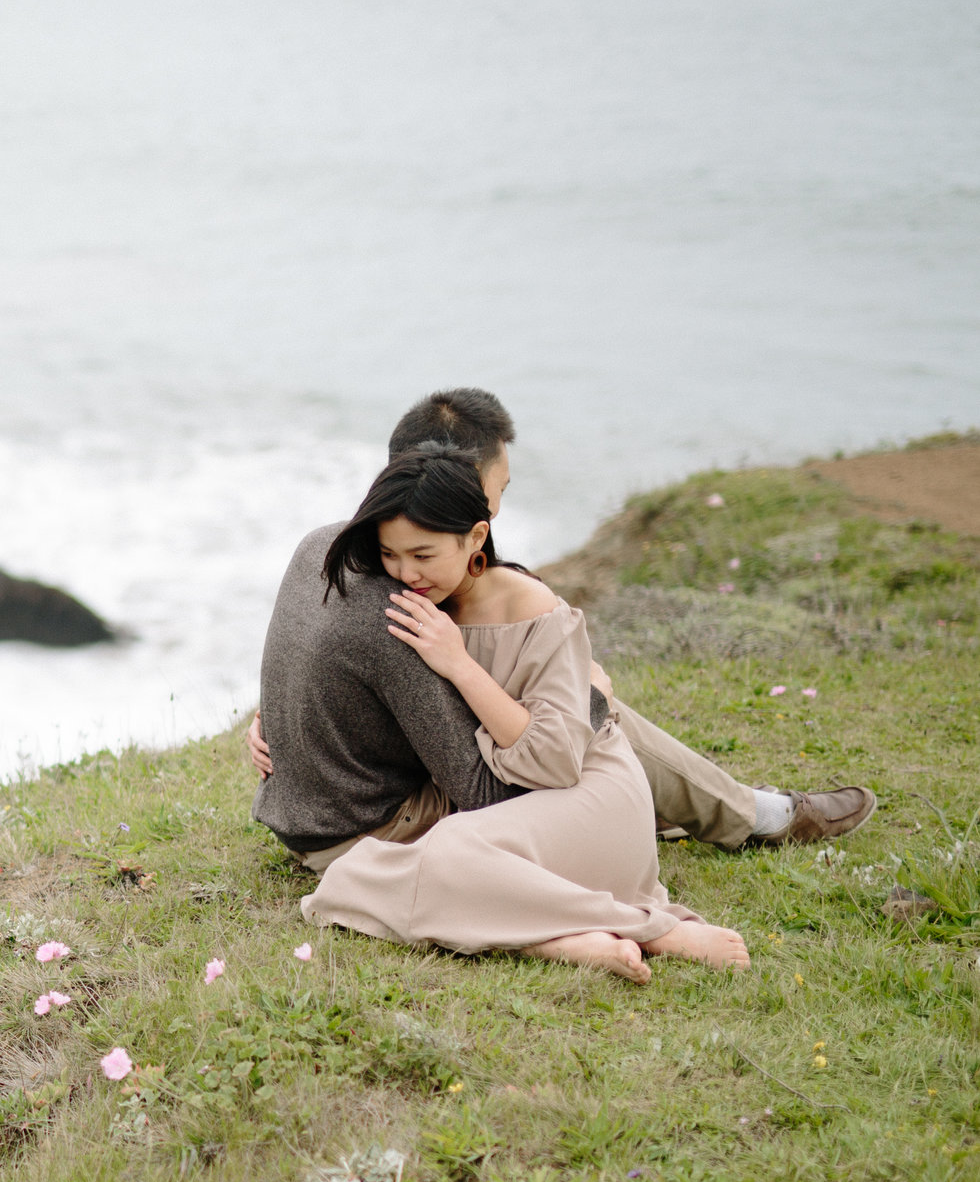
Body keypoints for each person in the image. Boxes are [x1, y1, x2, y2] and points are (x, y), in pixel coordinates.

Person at [247, 389, 876, 850]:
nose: (493, 513)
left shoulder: (333, 549)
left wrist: (279, 722)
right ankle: (754, 816)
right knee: (593, 721)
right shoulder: (406, 608)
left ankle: (736, 811)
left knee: (572, 710)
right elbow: (493, 782)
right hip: (396, 809)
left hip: (340, 796)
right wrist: (590, 704)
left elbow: (317, 660)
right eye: (493, 493)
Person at [291, 448, 747, 982]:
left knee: (446, 855)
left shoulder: (537, 612)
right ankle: (562, 941)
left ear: (477, 539)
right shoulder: (417, 601)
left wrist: (459, 665)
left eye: (423, 555)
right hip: (515, 812)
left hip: (589, 795)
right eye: (390, 555)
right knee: (357, 874)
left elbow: (555, 763)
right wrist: (276, 726)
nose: (404, 573)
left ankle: (656, 930)